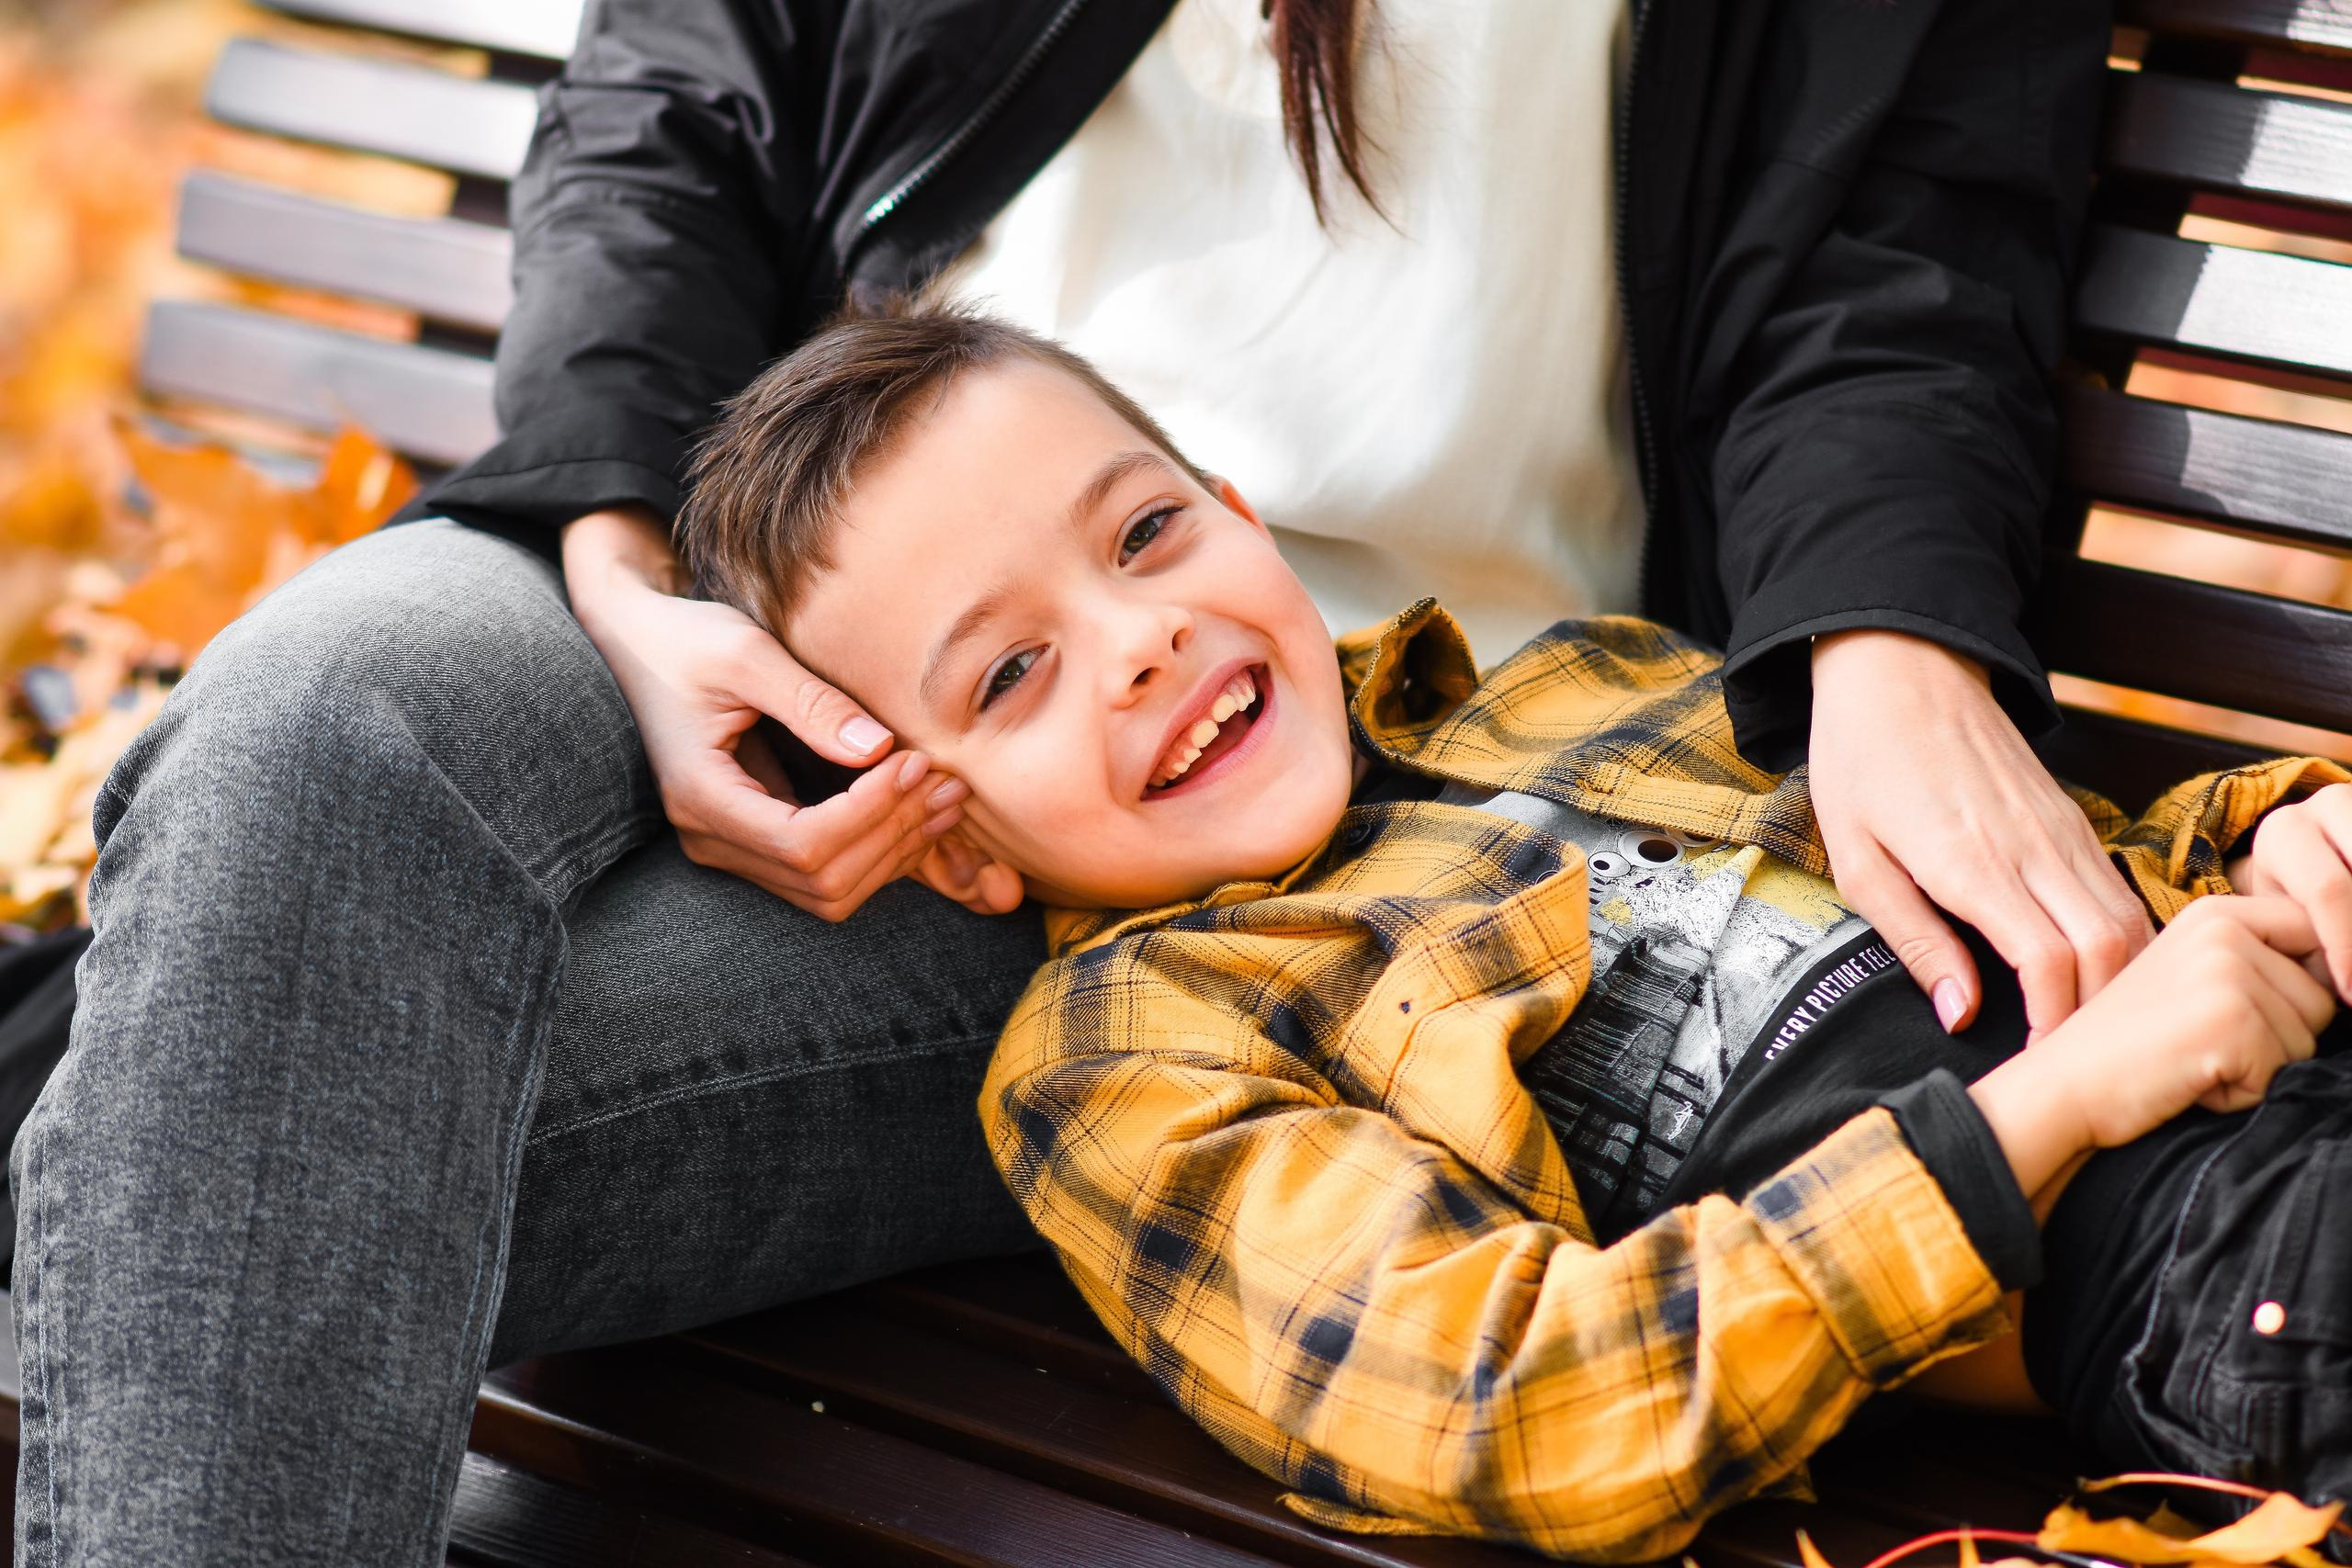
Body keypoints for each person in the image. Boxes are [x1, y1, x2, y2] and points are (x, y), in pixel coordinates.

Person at [14, 3, 2132, 1562]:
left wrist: (1886, 645)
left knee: (184, 1091)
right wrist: (633, 593)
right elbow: (675, 92)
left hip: (1331, 823)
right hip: (790, 597)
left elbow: (1902, 237)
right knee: (321, 727)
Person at [676, 302, 2352, 1563]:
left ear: (1241, 511)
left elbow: (2077, 870)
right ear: (944, 838)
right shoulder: (1138, 1045)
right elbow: (1520, 1398)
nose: (1138, 637)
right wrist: (2062, 1104)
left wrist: (2279, 835)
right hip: (2205, 1246)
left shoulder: (1581, 677)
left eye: (1144, 532)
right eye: (1009, 674)